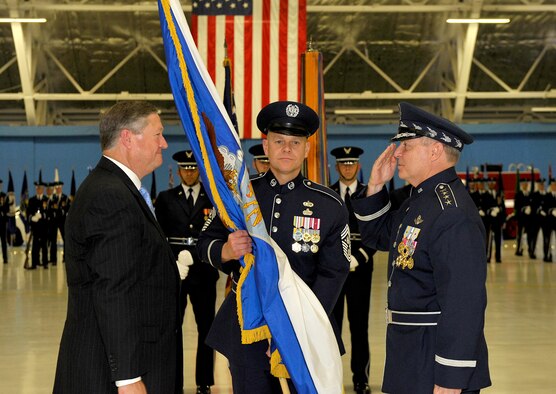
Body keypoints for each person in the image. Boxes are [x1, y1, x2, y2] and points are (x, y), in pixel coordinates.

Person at [197, 100, 350, 393]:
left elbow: (334, 272)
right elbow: (206, 242)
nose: (287, 149)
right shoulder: (240, 195)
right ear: (266, 147)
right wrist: (225, 251)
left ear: (307, 149)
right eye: (279, 141)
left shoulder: (329, 205)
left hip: (305, 328)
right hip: (247, 326)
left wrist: (295, 327)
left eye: (296, 142)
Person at [352, 102, 491, 393]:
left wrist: (451, 377)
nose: (397, 152)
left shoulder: (451, 213)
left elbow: (464, 302)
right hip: (411, 351)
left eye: (407, 146)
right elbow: (379, 238)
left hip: (435, 358)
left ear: (435, 151)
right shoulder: (419, 201)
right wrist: (376, 185)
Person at [53, 101, 181, 394]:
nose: (163, 143)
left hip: (129, 359)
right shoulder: (111, 196)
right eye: (157, 135)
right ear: (127, 138)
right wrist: (127, 377)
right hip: (112, 373)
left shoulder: (116, 189)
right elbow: (114, 290)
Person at [154, 150, 219, 394]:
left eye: (193, 168)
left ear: (199, 171)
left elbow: (216, 235)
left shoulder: (212, 199)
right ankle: (174, 382)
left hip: (204, 273)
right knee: (173, 328)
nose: (190, 172)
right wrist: (173, 261)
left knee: (206, 328)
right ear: (179, 171)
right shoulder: (166, 198)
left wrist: (199, 256)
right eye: (185, 168)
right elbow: (159, 236)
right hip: (176, 273)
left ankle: (204, 382)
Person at [330, 146, 376, 394]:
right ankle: (332, 376)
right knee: (332, 327)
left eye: (352, 164)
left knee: (359, 327)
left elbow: (374, 233)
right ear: (337, 167)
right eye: (343, 164)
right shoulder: (326, 193)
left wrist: (357, 258)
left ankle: (361, 378)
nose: (348, 168)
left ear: (358, 166)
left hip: (360, 271)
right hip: (333, 273)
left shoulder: (370, 193)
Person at [26, 179, 49, 269]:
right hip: (35, 227)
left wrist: (42, 215)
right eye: (38, 188)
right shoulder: (32, 200)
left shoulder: (46, 200)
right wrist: (32, 217)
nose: (39, 190)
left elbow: (50, 212)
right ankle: (34, 263)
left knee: (44, 245)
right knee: (35, 246)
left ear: (43, 189)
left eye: (41, 188)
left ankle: (45, 263)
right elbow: (28, 212)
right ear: (36, 189)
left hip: (43, 227)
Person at [486, 178, 506, 263]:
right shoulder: (485, 194)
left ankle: (498, 257)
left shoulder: (499, 194)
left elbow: (503, 207)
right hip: (490, 221)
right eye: (490, 183)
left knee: (498, 240)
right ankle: (488, 256)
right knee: (489, 239)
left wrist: (503, 220)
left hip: (498, 221)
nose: (491, 184)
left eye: (493, 183)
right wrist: (490, 211)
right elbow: (484, 205)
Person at [514, 179, 532, 256]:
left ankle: (530, 249)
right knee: (520, 235)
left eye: (526, 184)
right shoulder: (518, 194)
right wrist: (523, 209)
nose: (525, 185)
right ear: (521, 185)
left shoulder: (530, 194)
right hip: (521, 218)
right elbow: (516, 206)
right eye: (524, 184)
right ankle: (519, 249)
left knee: (530, 235)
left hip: (528, 218)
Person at [0, 179, 7, 264]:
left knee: (3, 241)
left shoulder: (4, 196)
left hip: (2, 223)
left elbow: (6, 208)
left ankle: (5, 258)